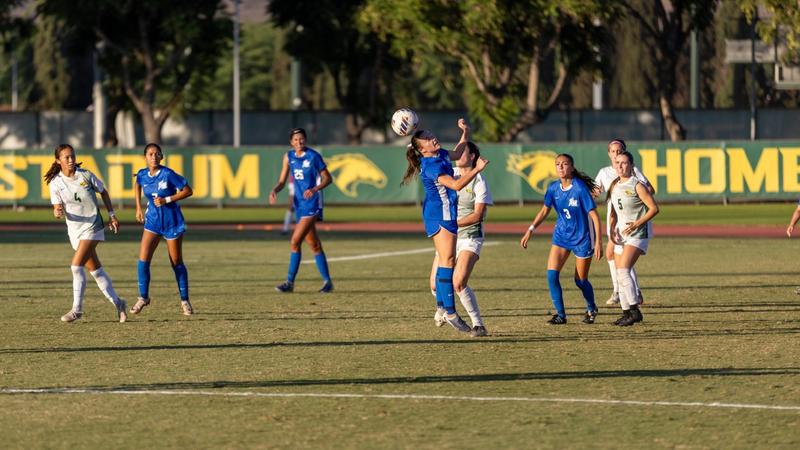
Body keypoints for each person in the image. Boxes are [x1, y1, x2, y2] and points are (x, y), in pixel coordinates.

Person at [402, 119, 488, 334]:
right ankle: (450, 313)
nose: (433, 138)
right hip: (440, 215)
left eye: (431, 135)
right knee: (448, 261)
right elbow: (456, 185)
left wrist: (465, 132)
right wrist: (477, 169)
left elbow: (458, 153)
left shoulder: (439, 154)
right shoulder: (431, 166)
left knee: (444, 261)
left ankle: (442, 307)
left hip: (442, 213)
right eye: (427, 139)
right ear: (422, 150)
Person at [45, 144, 127, 323]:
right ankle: (119, 303)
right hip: (75, 231)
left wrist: (112, 215)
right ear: (58, 161)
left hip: (93, 226)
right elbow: (57, 209)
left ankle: (77, 310)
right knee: (96, 271)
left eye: (72, 156)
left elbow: (103, 192)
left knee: (76, 267)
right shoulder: (56, 183)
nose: (71, 160)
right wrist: (57, 211)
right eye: (66, 157)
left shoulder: (86, 175)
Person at [520, 153, 602, 325]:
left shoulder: (579, 188)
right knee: (551, 275)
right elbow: (544, 211)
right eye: (558, 164)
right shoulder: (553, 188)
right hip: (562, 236)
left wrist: (599, 242)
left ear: (571, 167)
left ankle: (591, 307)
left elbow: (595, 216)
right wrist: (530, 230)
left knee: (580, 281)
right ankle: (561, 315)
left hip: (582, 238)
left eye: (565, 164)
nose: (561, 167)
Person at [429, 141, 493, 337]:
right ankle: (442, 308)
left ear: (472, 157)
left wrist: (453, 225)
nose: (456, 154)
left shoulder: (479, 181)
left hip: (470, 236)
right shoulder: (451, 173)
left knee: (458, 282)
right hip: (448, 236)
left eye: (462, 152)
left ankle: (478, 325)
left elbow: (478, 215)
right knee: (435, 285)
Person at [130, 143, 195, 316]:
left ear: (162, 157)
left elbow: (188, 191)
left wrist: (167, 200)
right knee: (143, 260)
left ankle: (185, 300)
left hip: (172, 221)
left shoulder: (168, 174)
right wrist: (138, 207)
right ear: (145, 157)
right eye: (150, 154)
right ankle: (143, 297)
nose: (154, 157)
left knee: (176, 262)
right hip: (153, 222)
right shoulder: (142, 174)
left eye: (157, 154)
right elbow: (137, 184)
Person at [269, 128, 334, 293]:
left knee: (295, 241)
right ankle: (328, 282)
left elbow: (328, 178)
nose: (299, 142)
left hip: (312, 203)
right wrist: (275, 190)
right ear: (291, 142)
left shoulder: (313, 156)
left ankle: (289, 283)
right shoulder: (288, 156)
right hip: (299, 204)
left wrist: (315, 188)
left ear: (306, 139)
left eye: (302, 139)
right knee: (314, 244)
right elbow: (282, 181)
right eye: (296, 140)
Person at [594, 139, 654, 306]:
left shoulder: (632, 171)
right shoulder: (605, 172)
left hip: (633, 223)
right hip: (615, 220)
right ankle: (628, 296)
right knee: (616, 258)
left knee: (620, 260)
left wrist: (634, 189)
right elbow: (595, 192)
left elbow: (650, 190)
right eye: (613, 151)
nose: (616, 155)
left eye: (619, 151)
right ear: (609, 154)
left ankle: (625, 294)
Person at [608, 150, 660, 326]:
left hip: (637, 234)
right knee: (619, 273)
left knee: (624, 270)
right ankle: (626, 313)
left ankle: (635, 311)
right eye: (617, 163)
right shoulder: (614, 185)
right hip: (621, 234)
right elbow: (613, 211)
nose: (620, 166)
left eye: (624, 163)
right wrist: (611, 230)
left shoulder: (637, 185)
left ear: (631, 165)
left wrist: (637, 223)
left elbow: (654, 209)